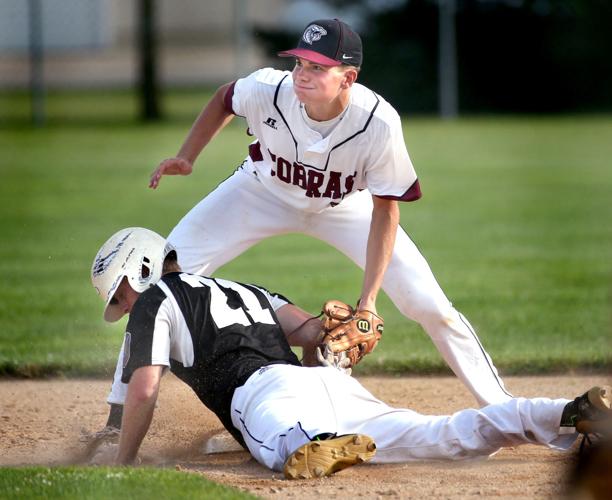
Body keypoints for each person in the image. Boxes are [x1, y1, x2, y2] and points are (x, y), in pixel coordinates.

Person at [137, 18, 512, 410]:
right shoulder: (268, 88)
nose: (303, 74)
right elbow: (224, 99)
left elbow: (386, 210)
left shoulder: (378, 123)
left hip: (345, 205)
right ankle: (120, 416)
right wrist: (186, 157)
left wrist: (368, 302)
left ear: (347, 78)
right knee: (164, 276)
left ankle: (503, 408)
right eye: (300, 63)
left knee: (428, 304)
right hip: (261, 192)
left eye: (318, 67)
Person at [89, 227, 611, 479]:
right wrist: (340, 329)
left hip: (267, 396)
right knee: (445, 433)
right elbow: (315, 334)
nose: (122, 306)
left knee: (274, 446)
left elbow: (145, 386)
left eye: (120, 293)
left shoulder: (154, 297)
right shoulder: (244, 289)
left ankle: (312, 444)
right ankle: (568, 411)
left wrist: (125, 462)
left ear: (140, 269)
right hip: (326, 385)